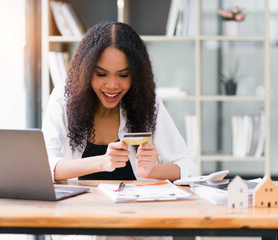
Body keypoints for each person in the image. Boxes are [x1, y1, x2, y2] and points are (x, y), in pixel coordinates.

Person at [42, 21, 199, 240]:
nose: (112, 85)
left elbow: (190, 168)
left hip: (138, 227)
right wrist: (101, 162)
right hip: (83, 225)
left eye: (123, 75)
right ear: (86, 72)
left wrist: (153, 171)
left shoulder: (148, 102)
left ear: (136, 74)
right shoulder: (62, 100)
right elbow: (46, 167)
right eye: (101, 74)